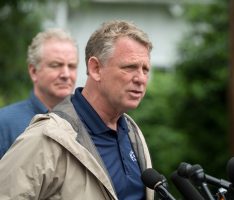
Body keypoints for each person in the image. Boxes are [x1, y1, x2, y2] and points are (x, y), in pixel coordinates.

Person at [0, 20, 154, 200]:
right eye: (130, 67)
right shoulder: (44, 136)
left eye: (145, 69)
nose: (141, 78)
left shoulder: (132, 132)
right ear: (95, 68)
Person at [0, 28, 79, 158]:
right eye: (55, 65)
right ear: (33, 71)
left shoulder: (87, 123)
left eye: (71, 66)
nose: (66, 74)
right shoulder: (4, 124)